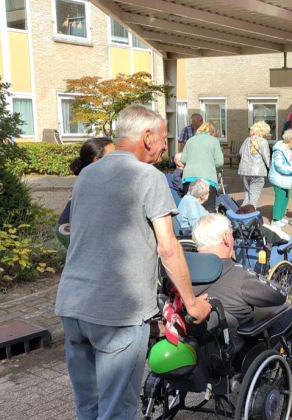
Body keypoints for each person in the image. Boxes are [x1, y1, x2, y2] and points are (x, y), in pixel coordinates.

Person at [55, 104, 212, 419]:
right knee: (117, 413)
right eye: (164, 138)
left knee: (89, 408)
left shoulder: (86, 175)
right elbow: (168, 248)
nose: (167, 146)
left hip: (72, 308)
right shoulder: (148, 177)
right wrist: (192, 304)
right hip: (117, 314)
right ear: (147, 136)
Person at [191, 214, 292, 384]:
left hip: (196, 352)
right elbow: (279, 295)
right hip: (236, 355)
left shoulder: (182, 275)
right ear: (226, 238)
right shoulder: (239, 275)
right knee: (289, 314)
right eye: (231, 234)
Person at [55, 137, 115, 248]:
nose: (117, 160)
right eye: (112, 157)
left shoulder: (90, 183)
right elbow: (62, 228)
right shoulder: (92, 187)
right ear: (97, 160)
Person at [181, 121, 224, 212]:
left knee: (190, 209)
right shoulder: (214, 141)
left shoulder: (190, 141)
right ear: (212, 133)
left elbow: (183, 160)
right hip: (207, 179)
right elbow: (220, 162)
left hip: (189, 179)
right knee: (206, 211)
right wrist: (212, 167)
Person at [269, 129, 292, 227]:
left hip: (286, 177)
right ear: (289, 139)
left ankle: (281, 217)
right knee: (280, 198)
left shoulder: (291, 149)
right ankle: (275, 219)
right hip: (279, 178)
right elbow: (279, 166)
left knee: (285, 198)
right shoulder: (279, 150)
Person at [238, 120, 272, 209]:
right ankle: (250, 217)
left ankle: (241, 216)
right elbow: (266, 158)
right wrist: (271, 169)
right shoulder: (263, 141)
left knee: (247, 196)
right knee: (253, 198)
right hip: (257, 172)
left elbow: (240, 153)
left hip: (244, 171)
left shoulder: (247, 140)